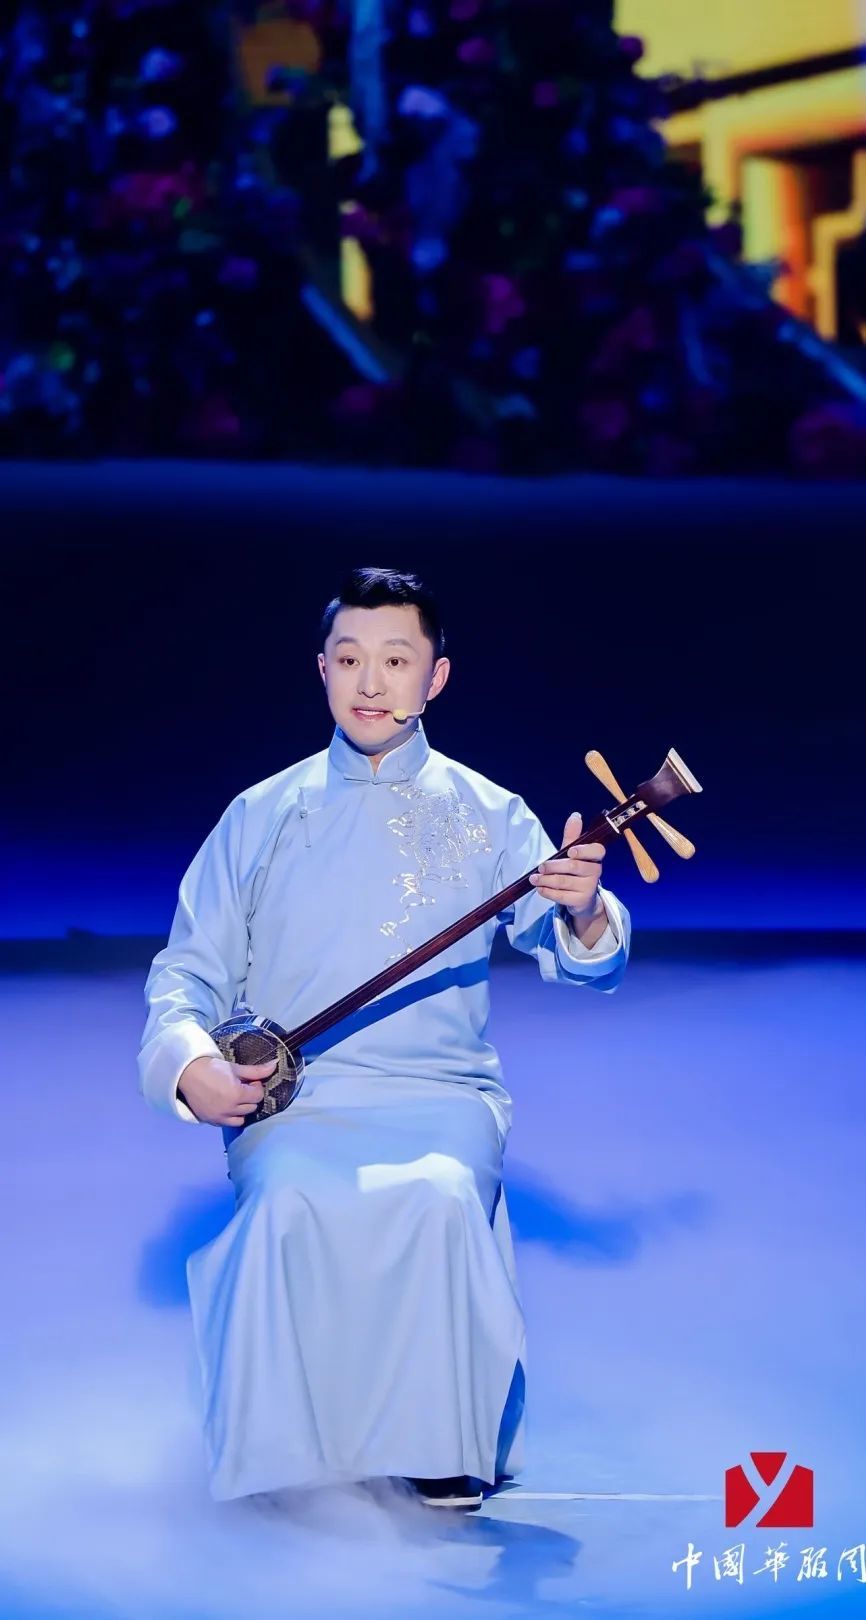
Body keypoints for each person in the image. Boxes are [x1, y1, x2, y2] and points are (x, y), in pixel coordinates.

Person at [138, 566, 631, 1511]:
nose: (371, 683)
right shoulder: (260, 815)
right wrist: (189, 1063)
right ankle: (285, 1454)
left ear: (435, 677)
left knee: (440, 1197)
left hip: (440, 1094)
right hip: (299, 1101)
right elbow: (186, 973)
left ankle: (442, 1447)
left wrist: (583, 910)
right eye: (350, 659)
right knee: (287, 1199)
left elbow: (578, 956)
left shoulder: (491, 813)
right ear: (321, 669)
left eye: (397, 661)